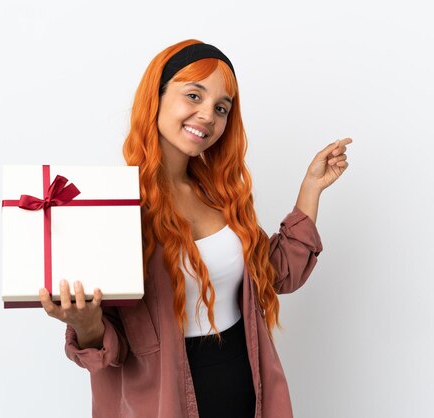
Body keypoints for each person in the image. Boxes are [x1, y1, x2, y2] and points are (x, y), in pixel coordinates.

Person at [39, 39, 352, 418]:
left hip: (247, 391)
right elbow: (109, 353)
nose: (207, 115)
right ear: (156, 96)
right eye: (193, 95)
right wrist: (87, 326)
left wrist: (310, 189)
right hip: (163, 403)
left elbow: (275, 276)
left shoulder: (220, 195)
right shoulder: (114, 206)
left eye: (221, 108)